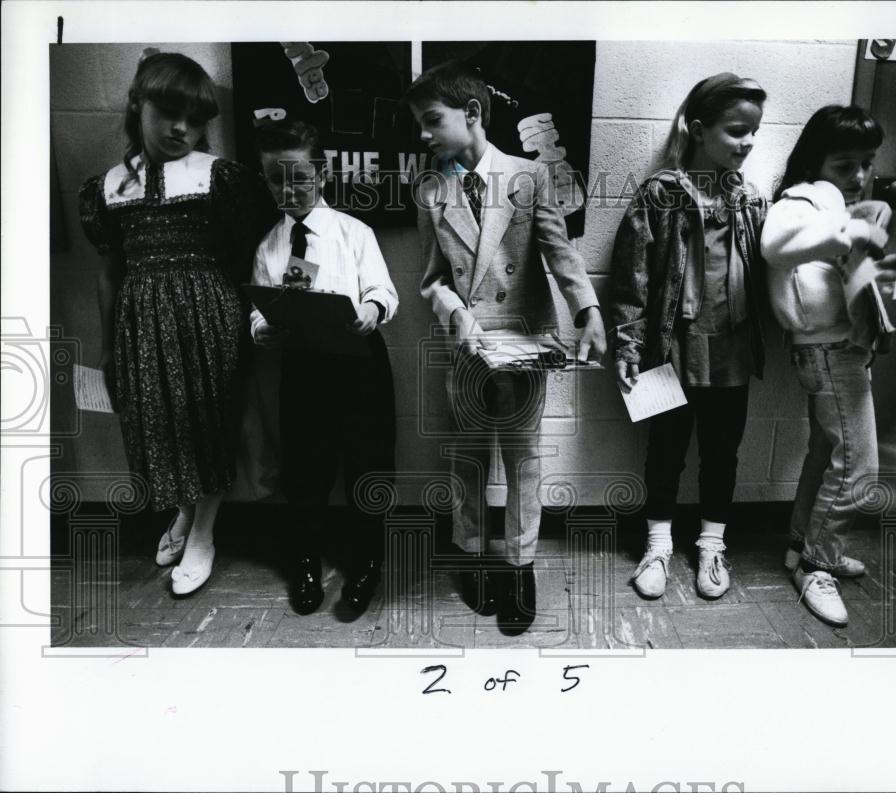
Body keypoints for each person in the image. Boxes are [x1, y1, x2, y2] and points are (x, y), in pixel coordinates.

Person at [404, 61, 606, 635]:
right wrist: (454, 311)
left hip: (524, 341)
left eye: (431, 120)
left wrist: (588, 311)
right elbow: (431, 278)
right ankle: (470, 555)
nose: (423, 134)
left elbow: (560, 251)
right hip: (467, 345)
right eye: (419, 123)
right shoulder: (431, 188)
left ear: (472, 114)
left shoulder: (528, 175)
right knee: (468, 455)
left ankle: (519, 565)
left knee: (522, 456)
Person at [79, 51, 277, 596]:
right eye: (168, 112)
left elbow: (251, 255)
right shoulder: (110, 188)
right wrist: (106, 346)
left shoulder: (219, 178)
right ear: (137, 105)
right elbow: (108, 273)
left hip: (208, 315)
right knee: (161, 424)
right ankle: (185, 514)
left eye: (195, 118)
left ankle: (204, 533)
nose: (182, 128)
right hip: (140, 321)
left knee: (207, 422)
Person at [609, 72, 769, 601]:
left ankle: (710, 545)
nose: (747, 142)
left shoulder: (751, 200)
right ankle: (657, 545)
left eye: (754, 132)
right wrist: (629, 348)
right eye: (736, 130)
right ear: (699, 130)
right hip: (666, 349)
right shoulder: (660, 193)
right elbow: (632, 281)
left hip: (732, 350)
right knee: (664, 451)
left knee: (723, 453)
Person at [762, 104, 896, 627]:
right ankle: (816, 566)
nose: (858, 176)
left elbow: (851, 283)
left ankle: (800, 547)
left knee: (826, 454)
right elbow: (774, 245)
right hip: (828, 355)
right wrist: (848, 231)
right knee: (859, 470)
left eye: (866, 163)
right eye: (844, 164)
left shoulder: (837, 207)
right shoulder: (802, 201)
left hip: (843, 350)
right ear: (816, 162)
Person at [250, 120, 398, 617]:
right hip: (304, 370)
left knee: (368, 466)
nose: (287, 190)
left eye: (298, 177)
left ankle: (366, 561)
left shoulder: (353, 233)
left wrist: (371, 311)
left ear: (321, 173)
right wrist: (260, 329)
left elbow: (383, 289)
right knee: (304, 471)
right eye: (275, 179)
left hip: (359, 366)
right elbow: (259, 306)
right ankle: (307, 561)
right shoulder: (270, 245)